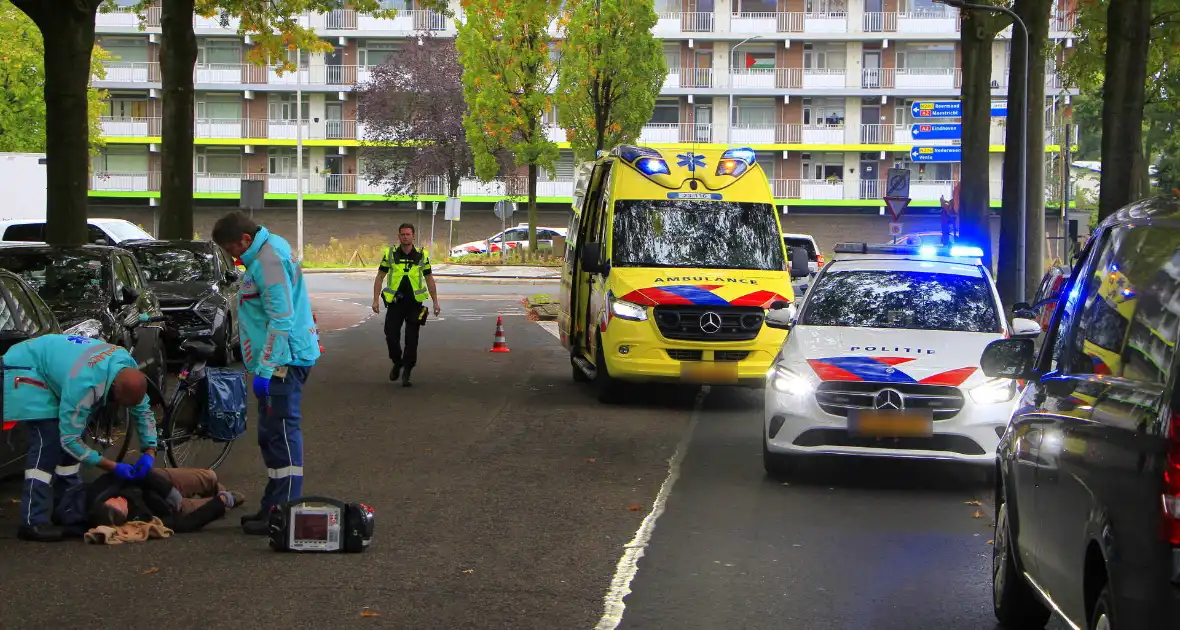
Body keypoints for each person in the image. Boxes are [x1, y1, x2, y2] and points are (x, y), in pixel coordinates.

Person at [211, 211, 320, 536]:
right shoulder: (268, 250)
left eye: (234, 250)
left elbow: (282, 319)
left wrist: (267, 369)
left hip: (284, 363)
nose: (234, 258)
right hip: (281, 361)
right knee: (272, 435)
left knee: (282, 435)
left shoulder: (268, 261)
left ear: (246, 239)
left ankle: (284, 512)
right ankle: (274, 506)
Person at [2, 334, 158, 542]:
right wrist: (111, 466)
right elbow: (69, 440)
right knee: (48, 442)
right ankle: (33, 522)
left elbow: (143, 411)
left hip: (58, 367)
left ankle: (65, 510)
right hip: (28, 367)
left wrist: (149, 450)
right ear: (112, 391)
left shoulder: (127, 367)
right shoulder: (84, 386)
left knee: (72, 451)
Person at [75, 467, 245, 534]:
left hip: (159, 482)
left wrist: (168, 490)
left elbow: (137, 471)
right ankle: (224, 496)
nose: (118, 498)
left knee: (209, 476)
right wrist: (219, 504)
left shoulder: (101, 491)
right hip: (168, 507)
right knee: (213, 503)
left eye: (113, 499)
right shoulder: (141, 519)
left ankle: (213, 485)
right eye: (120, 503)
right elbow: (183, 524)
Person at [372, 223, 441, 387]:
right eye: (402, 234)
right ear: (398, 236)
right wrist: (375, 299)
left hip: (414, 303)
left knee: (412, 339)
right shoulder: (390, 254)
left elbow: (429, 279)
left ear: (413, 236)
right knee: (391, 334)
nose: (405, 237)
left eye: (408, 234)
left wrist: (435, 302)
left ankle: (407, 371)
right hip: (395, 303)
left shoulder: (421, 256)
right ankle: (397, 361)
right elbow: (380, 276)